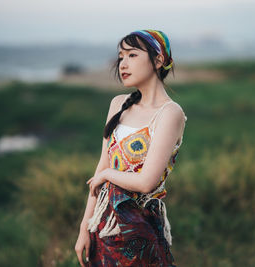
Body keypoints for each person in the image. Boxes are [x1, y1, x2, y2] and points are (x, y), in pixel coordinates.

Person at [75, 29, 187, 267]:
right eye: (120, 57)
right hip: (103, 226)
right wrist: (85, 227)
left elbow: (146, 182)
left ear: (158, 60)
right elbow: (102, 165)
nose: (123, 64)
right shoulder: (118, 104)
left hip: (139, 230)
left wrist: (106, 176)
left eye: (132, 55)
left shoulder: (170, 113)